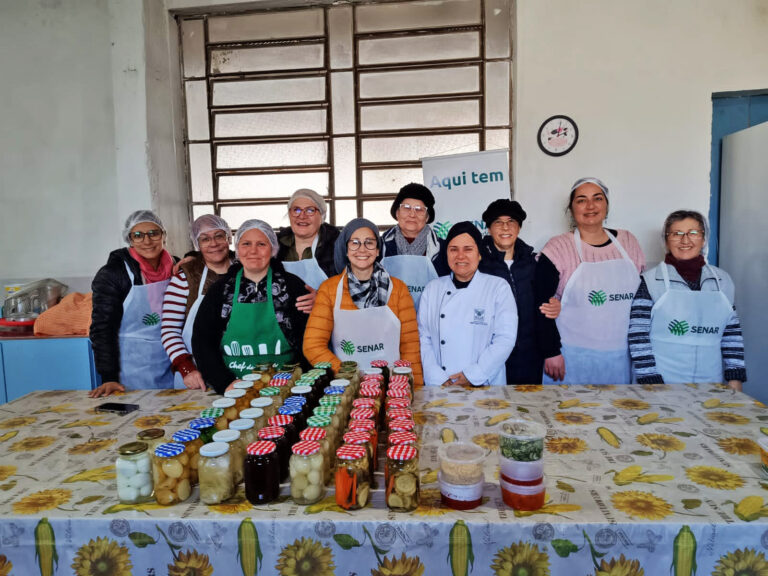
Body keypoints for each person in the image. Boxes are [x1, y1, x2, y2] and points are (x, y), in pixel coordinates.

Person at [535, 177, 645, 384]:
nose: (590, 206)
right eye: (581, 200)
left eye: (597, 198)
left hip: (623, 355)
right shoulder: (558, 247)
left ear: (606, 205)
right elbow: (541, 304)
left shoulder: (628, 241)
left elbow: (642, 300)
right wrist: (551, 352)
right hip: (571, 357)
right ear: (571, 208)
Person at [628, 210, 746, 390]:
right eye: (677, 234)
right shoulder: (651, 281)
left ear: (703, 239)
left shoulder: (722, 281)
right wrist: (650, 380)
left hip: (711, 381)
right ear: (666, 240)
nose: (685, 240)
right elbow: (638, 335)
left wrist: (735, 378)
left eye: (693, 233)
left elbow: (731, 334)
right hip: (660, 381)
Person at [193, 220, 310, 394]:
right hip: (235, 387)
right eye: (246, 244)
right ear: (238, 249)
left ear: (272, 249)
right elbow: (202, 341)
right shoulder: (220, 290)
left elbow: (311, 338)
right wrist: (224, 382)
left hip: (286, 387)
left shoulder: (292, 286)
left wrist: (299, 380)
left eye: (261, 244)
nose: (253, 251)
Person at [303, 218, 422, 383]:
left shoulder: (398, 289)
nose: (362, 249)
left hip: (393, 389)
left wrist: (413, 388)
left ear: (378, 250)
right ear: (346, 249)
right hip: (347, 387)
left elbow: (410, 347)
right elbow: (312, 345)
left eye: (369, 243)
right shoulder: (329, 290)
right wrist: (347, 374)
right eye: (355, 243)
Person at [89, 210, 178, 397]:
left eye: (153, 233)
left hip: (173, 360)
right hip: (133, 365)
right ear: (129, 239)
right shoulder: (113, 274)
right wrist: (108, 376)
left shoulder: (177, 267)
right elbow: (102, 328)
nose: (147, 241)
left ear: (164, 235)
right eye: (138, 235)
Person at [419, 221, 518, 387]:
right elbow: (424, 338)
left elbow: (505, 339)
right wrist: (437, 378)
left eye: (468, 249)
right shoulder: (432, 289)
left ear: (479, 254)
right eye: (453, 249)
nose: (460, 256)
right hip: (441, 386)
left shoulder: (498, 287)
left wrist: (474, 375)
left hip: (484, 384)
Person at [479, 199, 560, 384]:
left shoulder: (535, 263)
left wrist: (555, 304)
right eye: (498, 222)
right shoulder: (478, 264)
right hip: (489, 356)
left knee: (528, 408)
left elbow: (545, 305)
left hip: (530, 356)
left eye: (511, 222)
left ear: (519, 228)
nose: (505, 227)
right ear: (489, 229)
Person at [161, 214, 233, 390]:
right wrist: (186, 369)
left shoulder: (244, 270)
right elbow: (169, 330)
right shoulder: (184, 278)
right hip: (197, 374)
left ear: (229, 238)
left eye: (219, 236)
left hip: (237, 367)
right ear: (197, 244)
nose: (213, 243)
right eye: (205, 239)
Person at [380, 183, 449, 310]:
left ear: (427, 217)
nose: (412, 214)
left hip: (431, 318)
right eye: (406, 207)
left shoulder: (444, 249)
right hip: (389, 320)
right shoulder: (379, 247)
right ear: (397, 213)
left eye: (419, 209)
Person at [277, 188, 340, 293]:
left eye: (310, 210)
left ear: (322, 215)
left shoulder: (337, 246)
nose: (302, 216)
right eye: (296, 210)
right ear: (289, 214)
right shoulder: (275, 246)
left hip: (326, 308)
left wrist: (322, 299)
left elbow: (350, 287)